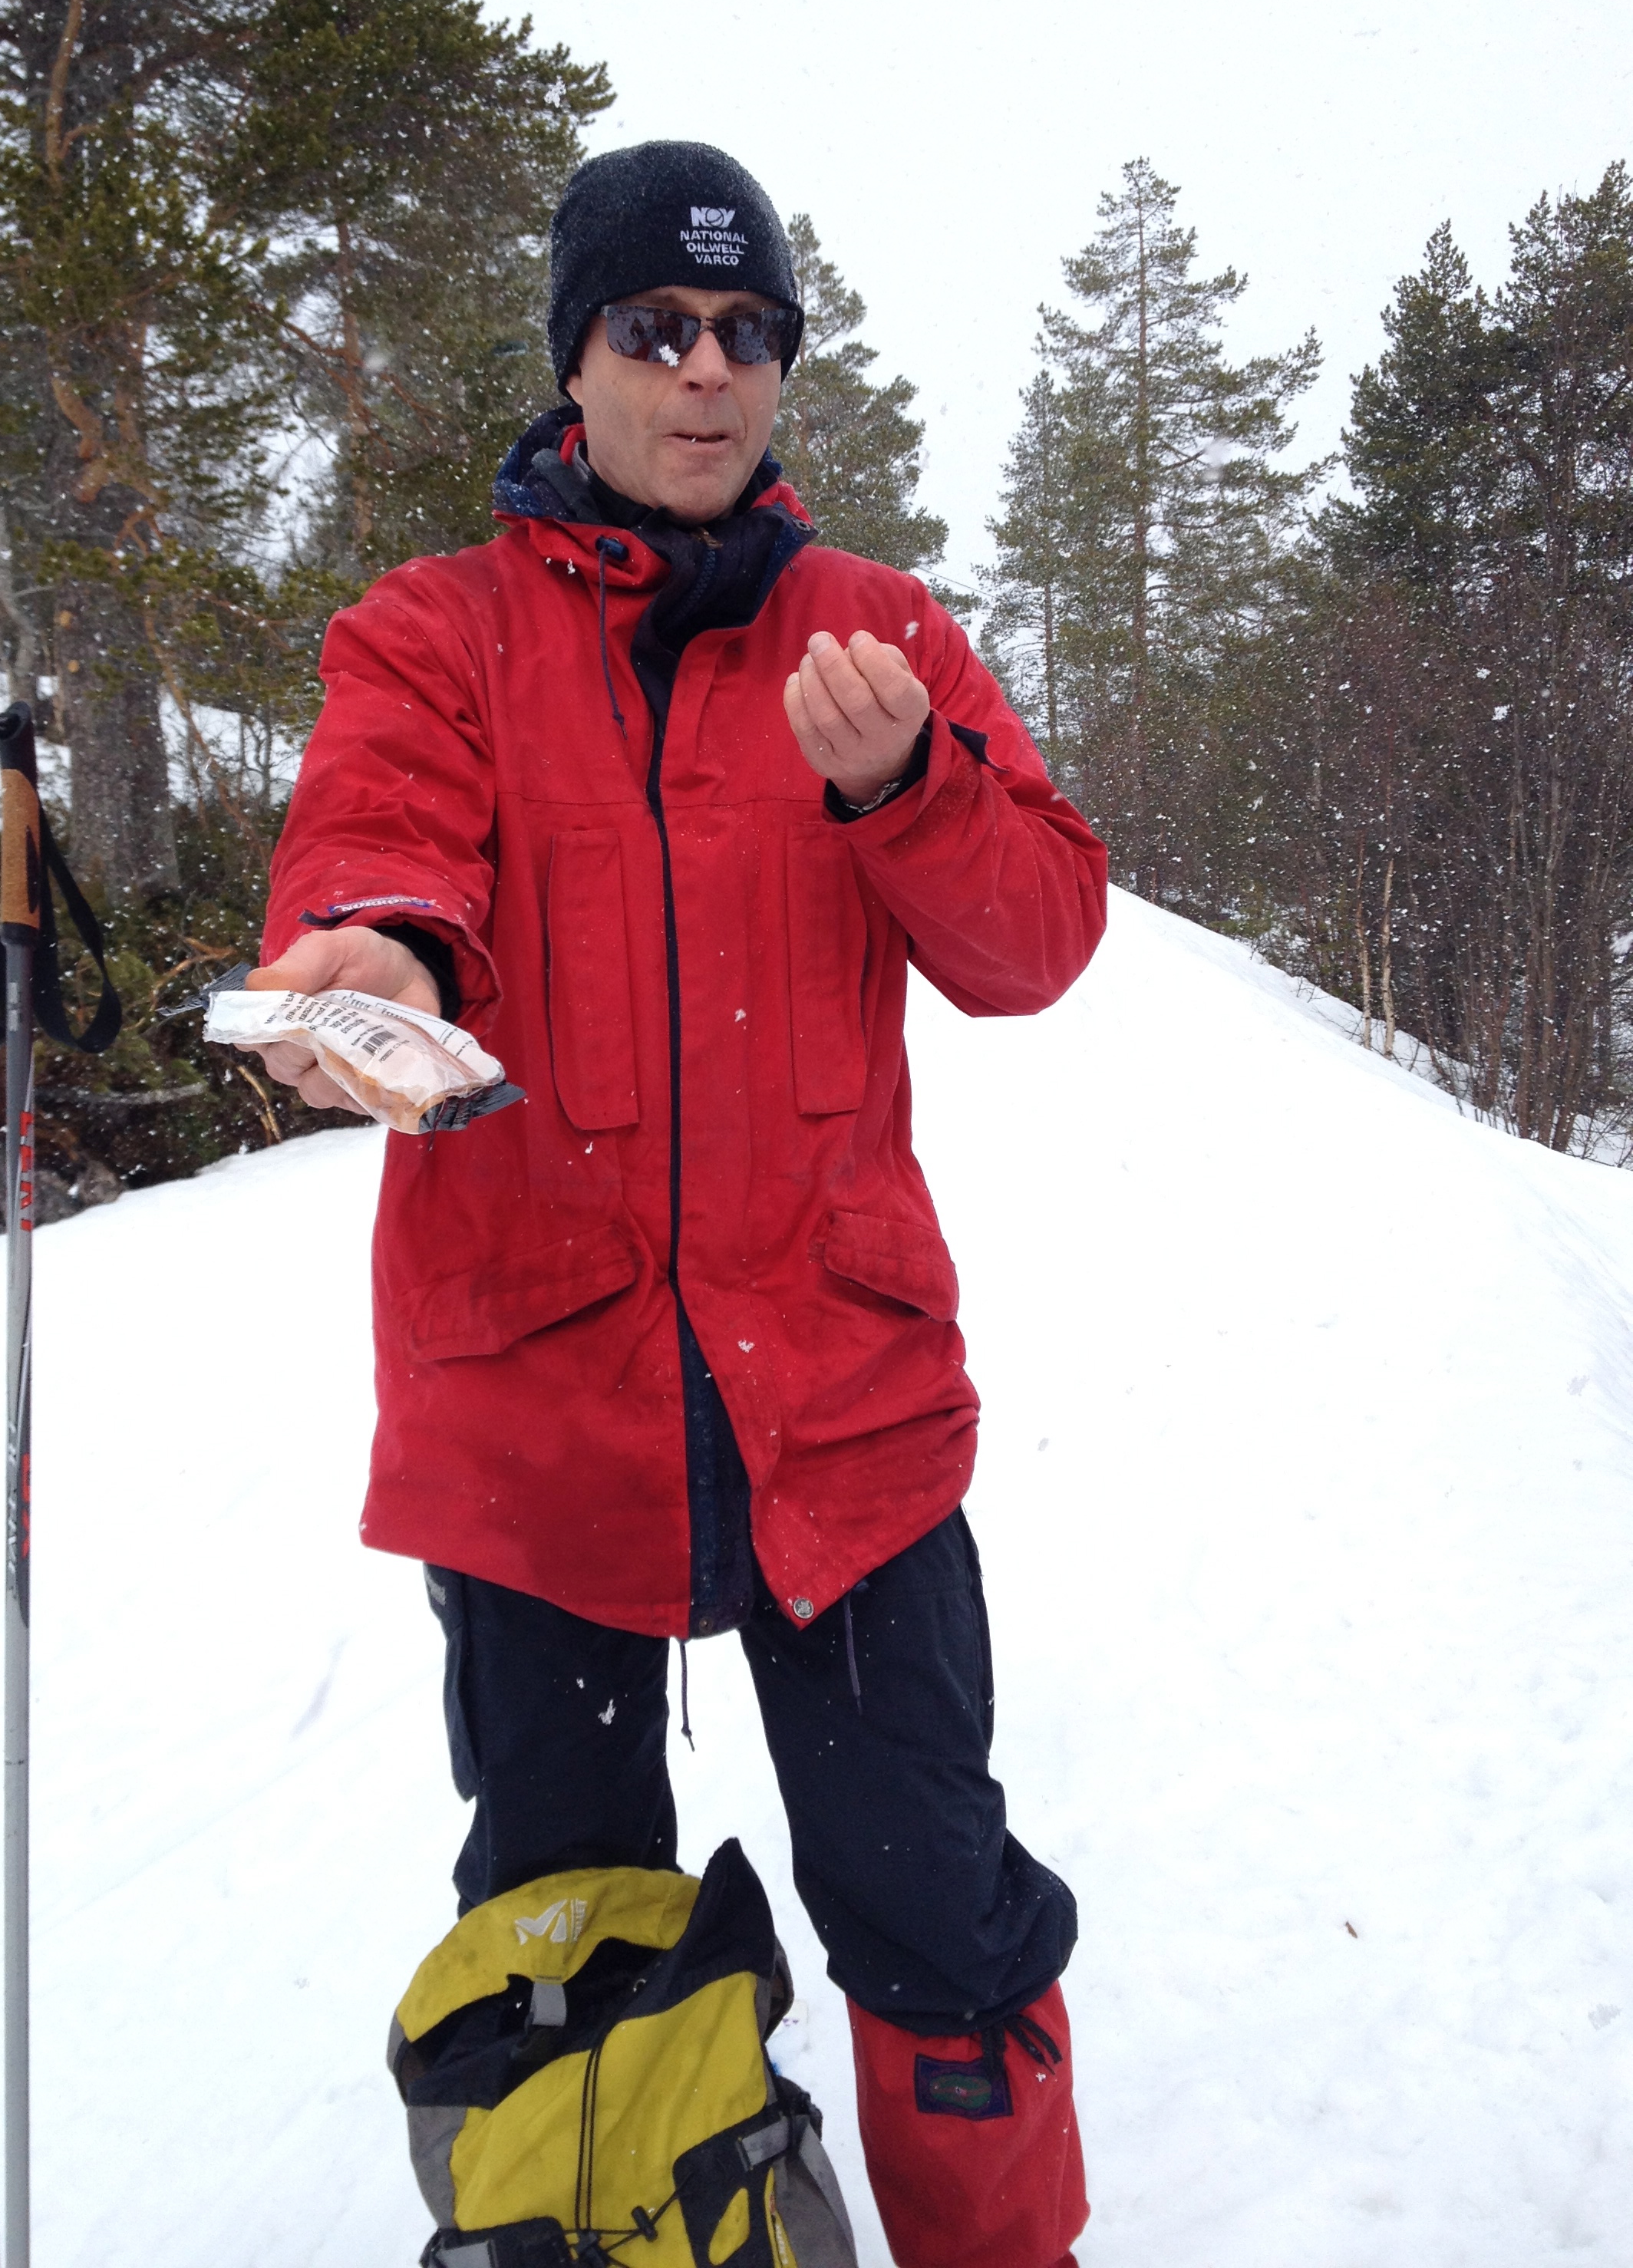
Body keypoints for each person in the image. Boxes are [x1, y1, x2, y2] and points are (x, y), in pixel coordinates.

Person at [251, 141, 1107, 2268]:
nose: (706, 369)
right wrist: (379, 949)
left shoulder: (882, 634)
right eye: (656, 327)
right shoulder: (434, 632)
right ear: (579, 357)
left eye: (747, 332)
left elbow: (1037, 944)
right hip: (537, 1408)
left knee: (938, 1916)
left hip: (843, 1396)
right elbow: (383, 835)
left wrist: (904, 787)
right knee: (564, 1937)